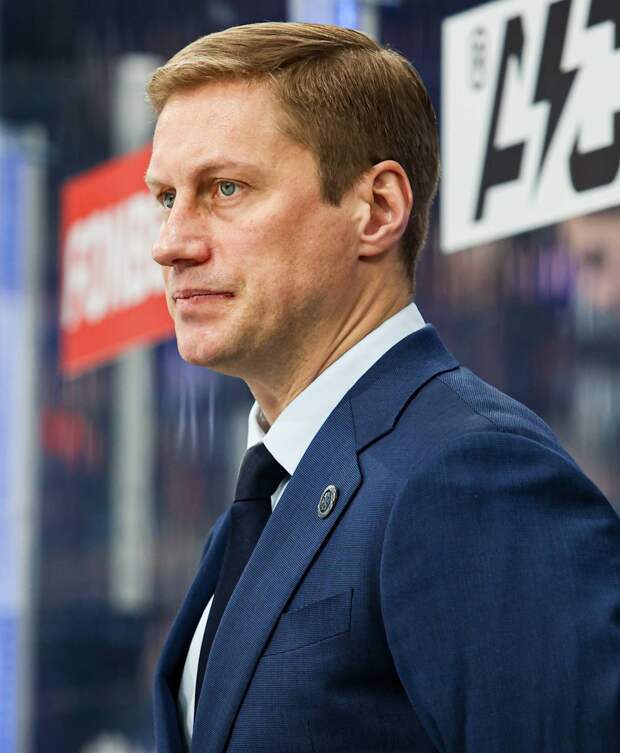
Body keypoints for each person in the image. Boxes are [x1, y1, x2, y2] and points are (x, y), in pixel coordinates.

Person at [144, 22, 620, 753]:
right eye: (166, 197)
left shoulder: (472, 474)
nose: (171, 243)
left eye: (226, 188)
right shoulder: (270, 497)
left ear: (378, 209)